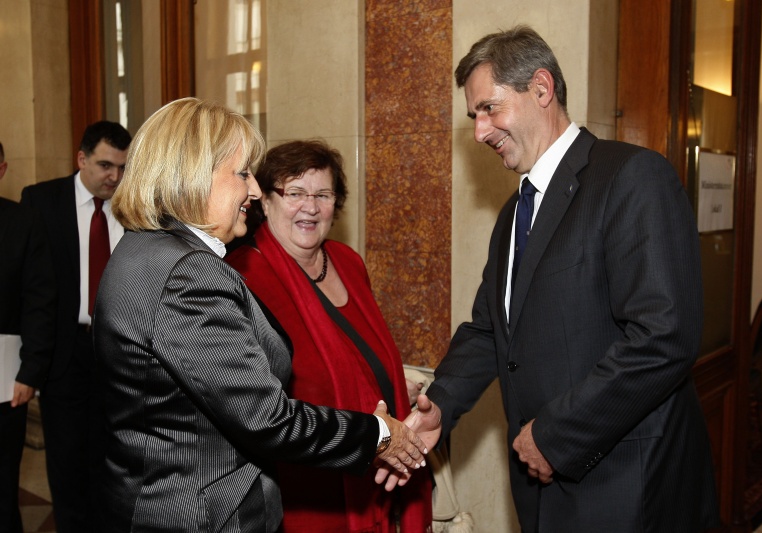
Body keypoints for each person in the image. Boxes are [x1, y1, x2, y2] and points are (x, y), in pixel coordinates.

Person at [424, 26, 720, 532]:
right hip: (544, 488)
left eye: (489, 109)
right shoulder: (514, 214)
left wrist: (556, 435)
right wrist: (440, 404)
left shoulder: (631, 177)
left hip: (626, 485)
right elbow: (491, 329)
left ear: (541, 89)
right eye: (474, 116)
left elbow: (663, 337)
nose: (479, 131)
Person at [93, 97, 436, 532]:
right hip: (202, 514)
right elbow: (266, 418)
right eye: (241, 174)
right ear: (194, 174)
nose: (253, 191)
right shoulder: (189, 271)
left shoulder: (142, 248)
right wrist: (379, 435)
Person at [226, 139, 433, 532]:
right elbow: (255, 400)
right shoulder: (243, 276)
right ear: (264, 201)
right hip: (309, 486)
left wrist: (389, 383)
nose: (310, 207)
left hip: (383, 475)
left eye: (323, 194)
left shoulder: (348, 262)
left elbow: (354, 355)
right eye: (295, 193)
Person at [19, 120, 130, 532]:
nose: (113, 177)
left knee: (114, 458)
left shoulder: (131, 203)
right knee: (67, 461)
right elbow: (31, 286)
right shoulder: (42, 201)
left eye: (121, 167)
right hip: (65, 351)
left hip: (119, 353)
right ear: (81, 159)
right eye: (104, 165)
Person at [0, 142, 56, 533]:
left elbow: (40, 301)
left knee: (3, 484)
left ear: (2, 170)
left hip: (5, 380)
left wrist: (30, 372)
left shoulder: (22, 222)